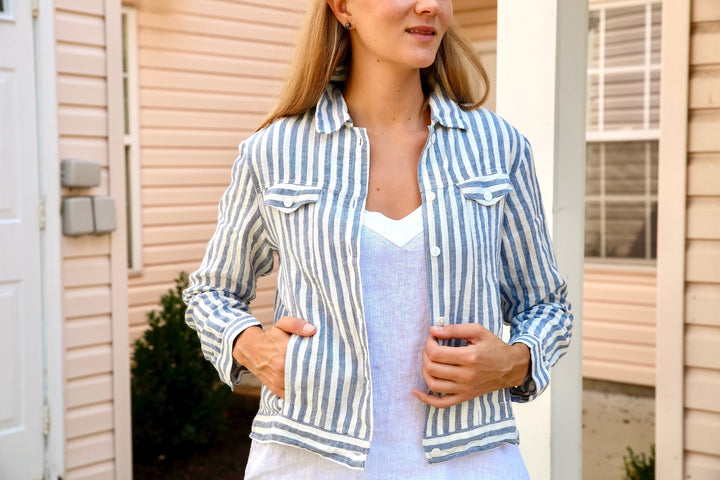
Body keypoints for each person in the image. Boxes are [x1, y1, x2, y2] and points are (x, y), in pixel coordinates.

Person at [183, 0, 573, 478]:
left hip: (472, 460)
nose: (430, 6)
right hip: (309, 458)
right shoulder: (275, 151)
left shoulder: (497, 146)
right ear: (343, 7)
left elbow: (547, 304)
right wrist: (252, 348)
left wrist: (515, 362)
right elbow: (211, 293)